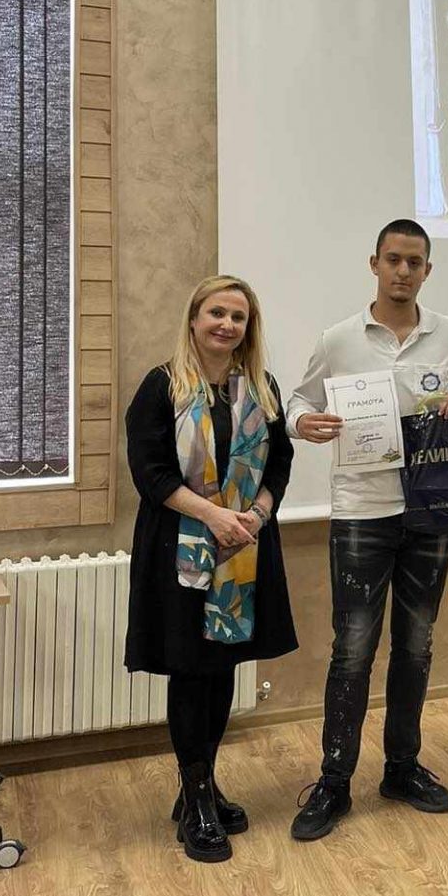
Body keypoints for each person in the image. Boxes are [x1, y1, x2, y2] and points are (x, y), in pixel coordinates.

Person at [287, 219, 448, 840]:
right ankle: (334, 781)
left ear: (428, 270)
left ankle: (401, 768)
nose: (403, 271)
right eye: (393, 259)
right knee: (353, 648)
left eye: (414, 262)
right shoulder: (338, 338)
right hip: (361, 509)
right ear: (374, 263)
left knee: (416, 644)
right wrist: (303, 424)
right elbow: (298, 400)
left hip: (430, 511)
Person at [125, 276, 296, 863]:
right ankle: (196, 796)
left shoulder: (262, 389)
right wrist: (214, 516)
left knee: (221, 667)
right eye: (216, 313)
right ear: (194, 319)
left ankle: (203, 783)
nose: (227, 325)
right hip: (180, 549)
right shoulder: (163, 386)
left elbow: (280, 463)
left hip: (244, 548)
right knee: (190, 669)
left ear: (249, 328)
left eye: (238, 317)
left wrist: (256, 515)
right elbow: (150, 473)